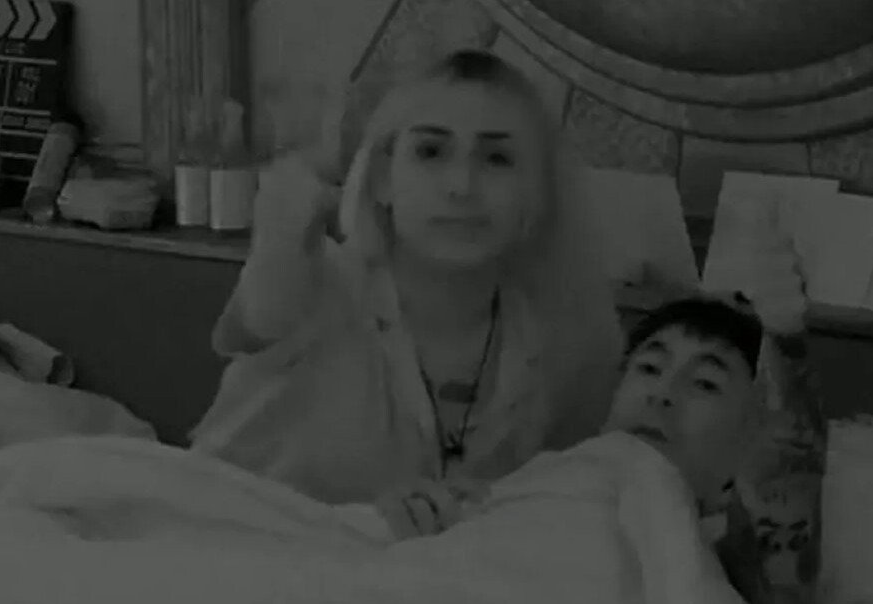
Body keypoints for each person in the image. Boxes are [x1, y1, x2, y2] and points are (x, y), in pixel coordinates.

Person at [188, 49, 626, 504]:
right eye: (430, 151)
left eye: (497, 159)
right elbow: (260, 318)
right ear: (382, 177)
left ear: (537, 192)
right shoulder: (317, 282)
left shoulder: (559, 346)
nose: (461, 186)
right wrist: (280, 235)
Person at [378, 291, 827, 604]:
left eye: (706, 384)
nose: (662, 394)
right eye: (649, 368)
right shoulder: (536, 480)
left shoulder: (705, 543)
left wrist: (785, 343)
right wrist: (418, 518)